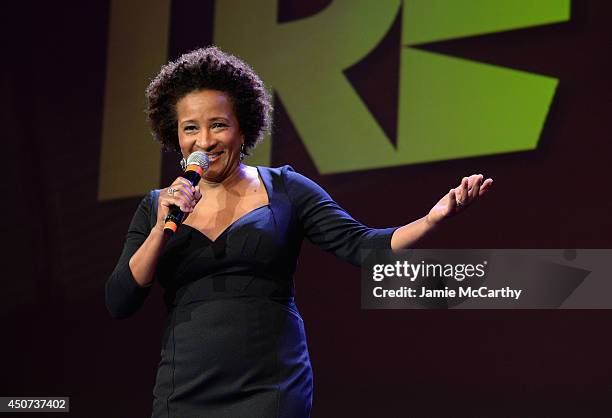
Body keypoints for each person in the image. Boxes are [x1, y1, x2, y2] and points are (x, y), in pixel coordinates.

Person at [105, 46, 493, 418]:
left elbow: (364, 246)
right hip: (184, 389)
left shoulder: (286, 190)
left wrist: (431, 219)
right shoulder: (158, 206)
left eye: (218, 125)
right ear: (175, 136)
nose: (204, 141)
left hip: (268, 386)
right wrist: (160, 229)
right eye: (191, 128)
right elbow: (120, 301)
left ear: (243, 128)